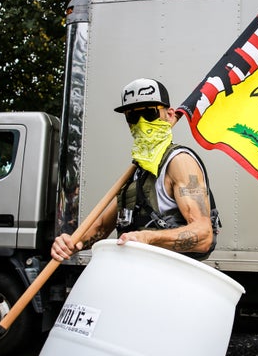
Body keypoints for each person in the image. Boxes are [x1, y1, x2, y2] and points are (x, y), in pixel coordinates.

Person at [51, 78, 219, 262]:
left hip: (170, 279)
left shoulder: (180, 162)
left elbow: (203, 236)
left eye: (149, 113)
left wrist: (148, 238)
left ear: (170, 115)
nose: (141, 123)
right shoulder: (137, 172)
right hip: (136, 275)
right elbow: (101, 228)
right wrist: (72, 243)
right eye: (132, 117)